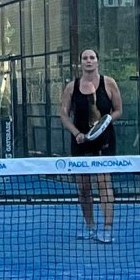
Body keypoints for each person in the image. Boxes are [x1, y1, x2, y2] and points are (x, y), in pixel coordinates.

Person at [59, 45, 123, 242]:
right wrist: (77, 133)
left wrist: (105, 123)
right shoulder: (71, 87)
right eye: (85, 58)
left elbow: (118, 110)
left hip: (104, 141)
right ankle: (90, 228)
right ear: (80, 63)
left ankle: (107, 229)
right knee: (84, 187)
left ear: (97, 61)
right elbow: (63, 114)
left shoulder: (109, 83)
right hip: (80, 142)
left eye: (92, 57)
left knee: (104, 183)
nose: (88, 61)